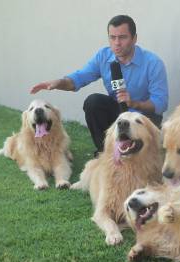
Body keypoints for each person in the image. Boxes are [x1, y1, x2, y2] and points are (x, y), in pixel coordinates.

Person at [30, 15, 168, 156]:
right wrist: (59, 83)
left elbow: (161, 103)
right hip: (120, 112)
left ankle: (134, 151)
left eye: (122, 37)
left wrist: (135, 103)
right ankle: (106, 153)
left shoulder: (153, 63)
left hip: (144, 118)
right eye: (112, 37)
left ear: (134, 38)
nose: (117, 43)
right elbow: (78, 78)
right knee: (93, 102)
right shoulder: (104, 56)